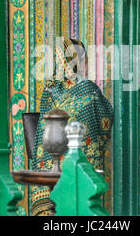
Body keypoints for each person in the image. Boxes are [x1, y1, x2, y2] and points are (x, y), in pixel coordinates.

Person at [30, 37, 114, 216]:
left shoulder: (48, 91)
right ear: (79, 61)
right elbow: (105, 122)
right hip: (78, 172)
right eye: (84, 59)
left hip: (49, 173)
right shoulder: (88, 90)